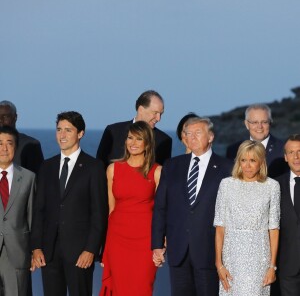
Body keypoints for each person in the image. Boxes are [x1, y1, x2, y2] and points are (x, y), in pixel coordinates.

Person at [152, 116, 232, 296]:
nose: (192, 137)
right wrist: (157, 243)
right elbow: (160, 207)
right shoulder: (172, 165)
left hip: (210, 251)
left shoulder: (227, 168)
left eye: (198, 133)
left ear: (210, 137)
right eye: (188, 134)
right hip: (178, 248)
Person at [30, 111, 108, 296]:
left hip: (80, 252)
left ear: (80, 133)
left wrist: (90, 249)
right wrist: (36, 246)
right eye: (59, 130)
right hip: (49, 252)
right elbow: (39, 210)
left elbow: (99, 213)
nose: (62, 135)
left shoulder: (94, 167)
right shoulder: (46, 167)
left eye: (68, 130)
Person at [99, 121, 161, 296]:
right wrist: (105, 247)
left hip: (145, 241)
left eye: (138, 139)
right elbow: (111, 210)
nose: (133, 143)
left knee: (142, 288)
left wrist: (161, 243)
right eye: (130, 138)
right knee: (118, 288)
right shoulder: (113, 169)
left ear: (147, 143)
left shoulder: (157, 172)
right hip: (117, 240)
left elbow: (161, 212)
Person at [214, 140, 280, 295]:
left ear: (261, 162)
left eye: (253, 160)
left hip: (259, 258)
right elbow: (220, 227)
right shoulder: (226, 185)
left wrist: (272, 266)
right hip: (231, 258)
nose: (247, 166)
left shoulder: (272, 186)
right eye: (243, 160)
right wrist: (219, 264)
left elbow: (274, 229)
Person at [0, 125, 36, 296]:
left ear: (16, 146)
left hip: (17, 254)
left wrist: (34, 250)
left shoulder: (29, 177)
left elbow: (31, 217)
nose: (4, 148)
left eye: (9, 143)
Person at [96, 90, 172, 167]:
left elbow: (164, 174)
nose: (158, 118)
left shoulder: (164, 140)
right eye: (155, 113)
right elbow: (99, 166)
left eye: (161, 114)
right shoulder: (113, 131)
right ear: (141, 110)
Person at [226, 103, 287, 178]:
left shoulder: (284, 148)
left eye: (264, 122)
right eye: (255, 122)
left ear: (270, 123)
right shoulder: (233, 150)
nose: (259, 126)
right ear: (246, 124)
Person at [276, 134, 300, 296]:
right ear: (285, 157)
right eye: (291, 152)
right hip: (288, 265)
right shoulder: (274, 186)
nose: (296, 156)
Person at [0, 100, 44, 174]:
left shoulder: (31, 145)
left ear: (15, 117)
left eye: (5, 117)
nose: (0, 120)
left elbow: (38, 179)